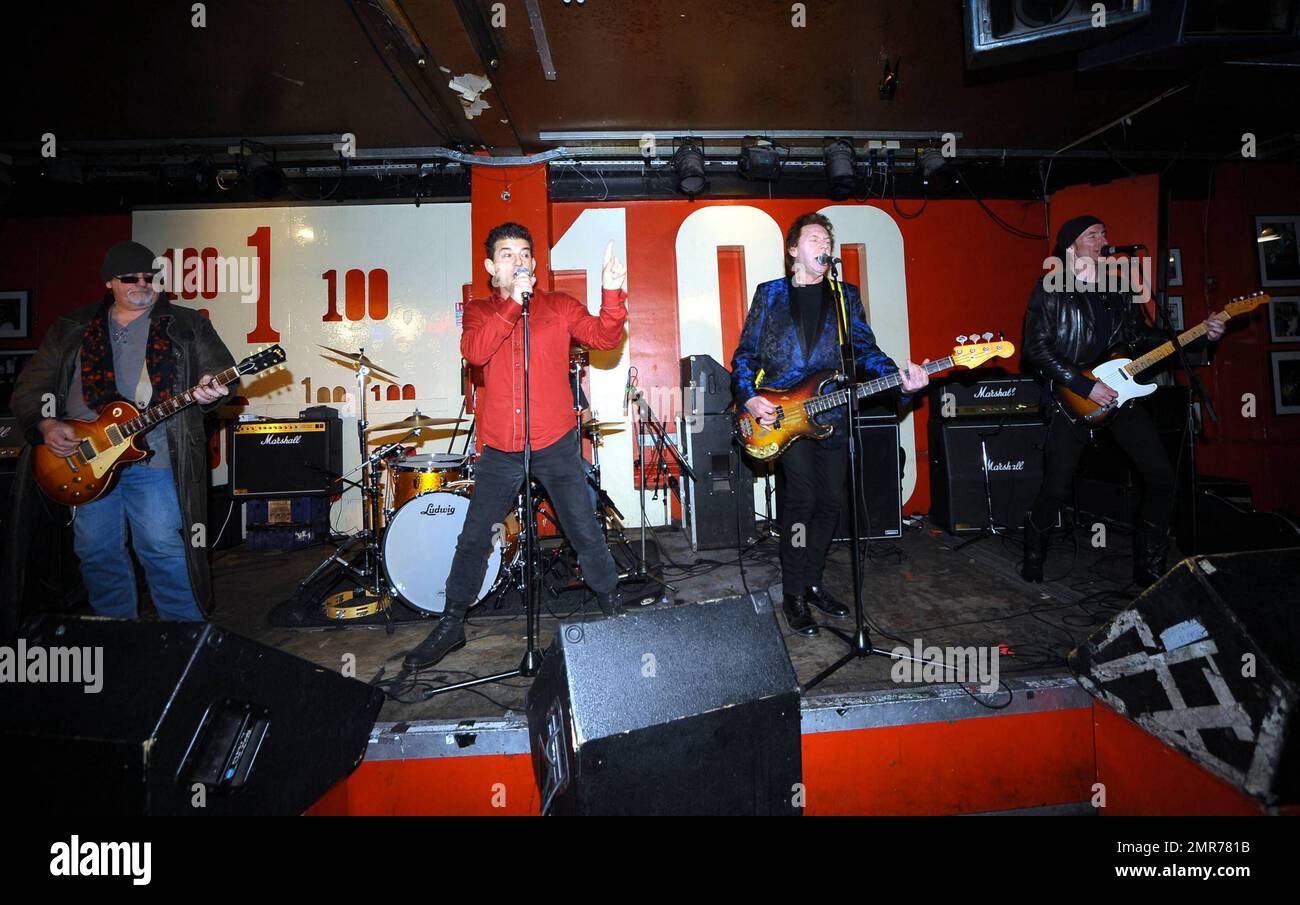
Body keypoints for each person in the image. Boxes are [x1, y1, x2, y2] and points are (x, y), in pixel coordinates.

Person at [404, 223, 628, 670]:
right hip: (501, 447)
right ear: (491, 267)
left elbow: (604, 337)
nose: (518, 260)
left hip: (556, 442)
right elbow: (476, 353)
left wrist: (611, 292)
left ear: (535, 264)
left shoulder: (559, 305)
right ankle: (452, 624)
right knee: (474, 539)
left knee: (584, 529)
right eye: (507, 254)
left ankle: (611, 608)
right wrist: (512, 304)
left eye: (524, 253)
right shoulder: (479, 311)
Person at [10, 240, 235, 620]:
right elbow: (30, 388)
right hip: (83, 457)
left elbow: (218, 376)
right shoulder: (72, 328)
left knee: (161, 546)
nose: (142, 283)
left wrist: (212, 391)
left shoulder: (186, 324)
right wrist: (46, 423)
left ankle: (185, 637)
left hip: (157, 457)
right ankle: (115, 636)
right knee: (96, 551)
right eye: (131, 277)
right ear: (108, 282)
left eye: (149, 276)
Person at [731, 213, 928, 636]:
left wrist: (902, 381)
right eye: (816, 237)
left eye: (829, 239)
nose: (826, 245)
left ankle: (814, 580)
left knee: (831, 505)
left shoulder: (844, 296)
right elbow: (745, 354)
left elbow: (865, 351)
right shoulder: (770, 295)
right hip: (786, 416)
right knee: (800, 500)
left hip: (833, 416)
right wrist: (749, 396)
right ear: (793, 250)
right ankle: (793, 593)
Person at [1021, 215, 1224, 586]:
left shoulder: (1117, 289)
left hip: (1122, 396)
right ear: (1071, 247)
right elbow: (1035, 349)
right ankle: (1034, 549)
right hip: (1073, 399)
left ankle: (1149, 571)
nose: (1102, 240)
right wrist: (1083, 387)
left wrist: (1199, 335)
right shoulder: (1050, 289)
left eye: (1104, 233)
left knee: (1162, 477)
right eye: (1092, 235)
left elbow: (1144, 340)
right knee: (1057, 486)